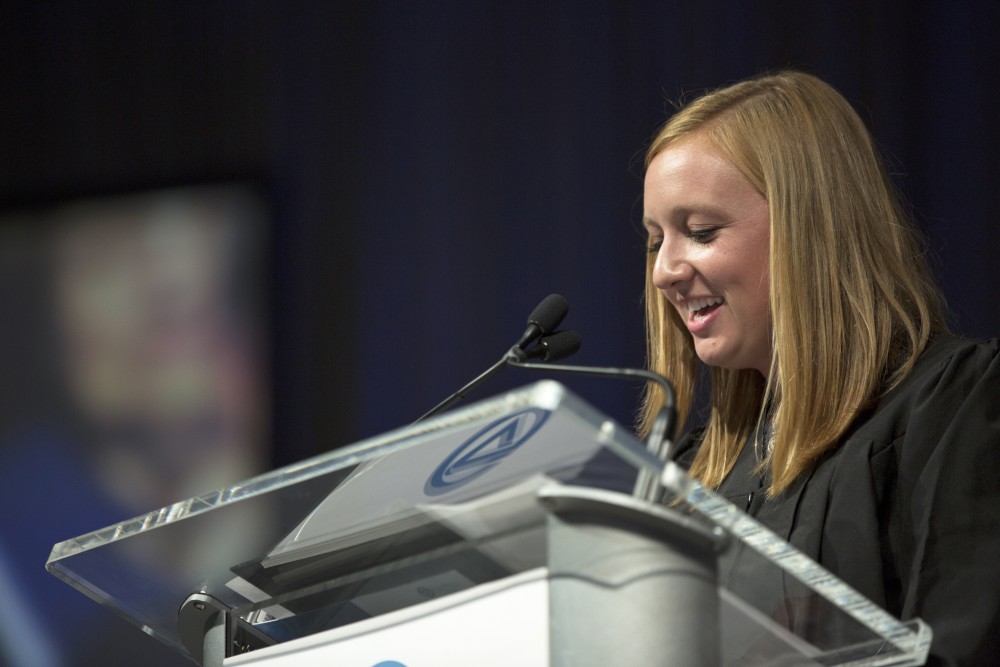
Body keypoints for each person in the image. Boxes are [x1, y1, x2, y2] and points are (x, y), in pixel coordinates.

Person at [639, 70, 1000, 666]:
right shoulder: (687, 474)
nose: (664, 272)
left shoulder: (952, 408)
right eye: (656, 241)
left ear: (810, 228)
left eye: (700, 232)